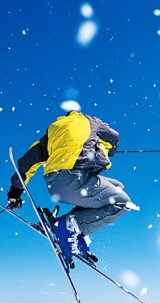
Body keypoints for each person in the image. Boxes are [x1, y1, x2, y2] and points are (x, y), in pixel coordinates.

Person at [7, 110, 137, 267]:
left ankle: (72, 229)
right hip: (75, 179)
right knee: (122, 203)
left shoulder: (53, 129)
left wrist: (15, 191)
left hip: (55, 183)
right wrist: (106, 150)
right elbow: (114, 137)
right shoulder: (94, 123)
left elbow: (28, 161)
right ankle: (67, 226)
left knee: (117, 187)